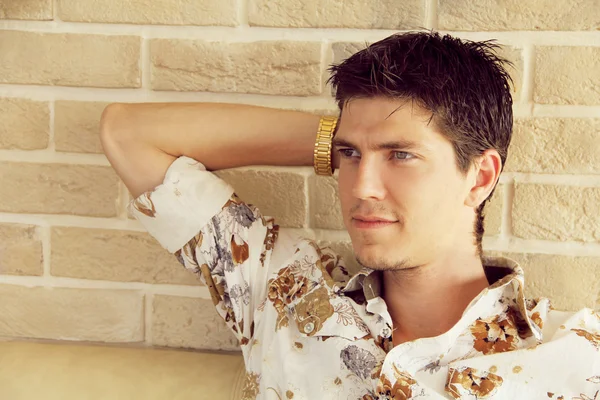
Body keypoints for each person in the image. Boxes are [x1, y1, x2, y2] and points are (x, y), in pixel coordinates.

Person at [100, 31, 599, 399]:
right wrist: (339, 139)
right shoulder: (285, 293)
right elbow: (130, 135)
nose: (360, 187)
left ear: (481, 177)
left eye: (402, 155)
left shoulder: (573, 359)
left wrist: (364, 138)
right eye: (350, 157)